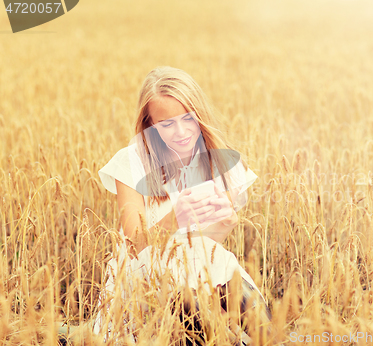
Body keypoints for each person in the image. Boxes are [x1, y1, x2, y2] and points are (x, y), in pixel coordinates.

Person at [92, 66, 272, 344]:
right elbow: (133, 245)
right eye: (166, 124)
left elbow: (206, 244)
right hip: (144, 279)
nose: (181, 132)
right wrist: (173, 220)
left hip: (203, 268)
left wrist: (226, 223)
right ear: (149, 125)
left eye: (188, 119)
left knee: (238, 296)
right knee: (192, 300)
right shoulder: (131, 162)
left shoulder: (223, 163)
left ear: (199, 113)